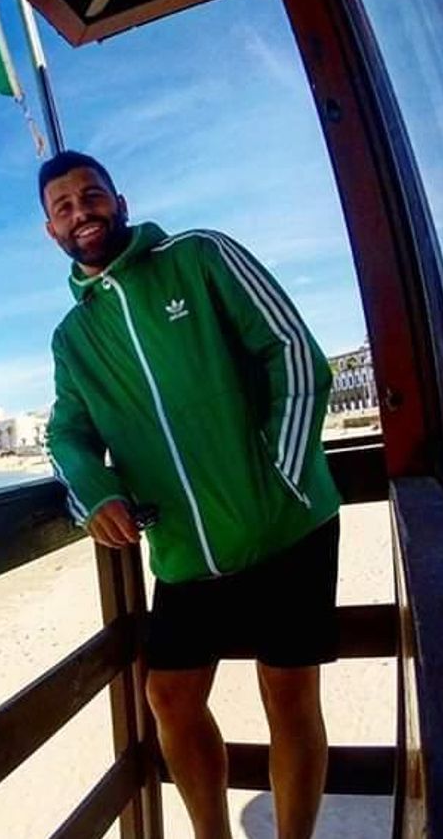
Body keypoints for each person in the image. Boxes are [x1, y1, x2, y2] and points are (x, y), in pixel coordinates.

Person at [40, 150, 342, 839]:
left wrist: (283, 469)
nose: (81, 211)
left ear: (118, 198)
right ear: (50, 230)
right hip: (183, 550)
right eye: (63, 207)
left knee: (289, 695)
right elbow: (67, 434)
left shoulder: (199, 256)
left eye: (91, 195)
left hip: (287, 526)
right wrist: (96, 495)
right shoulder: (74, 337)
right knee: (169, 696)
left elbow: (292, 350)